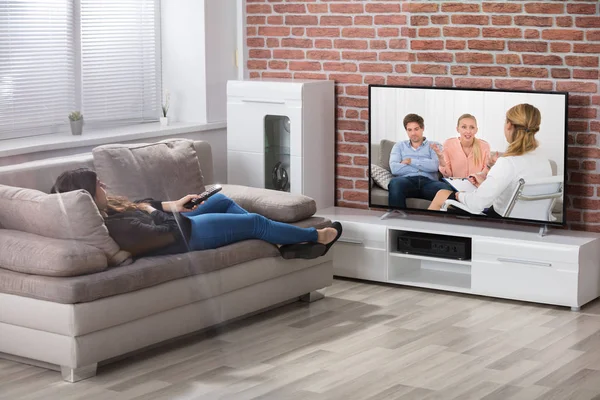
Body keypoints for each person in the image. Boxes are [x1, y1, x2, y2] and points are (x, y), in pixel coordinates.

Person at [51, 168, 342, 260]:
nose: (103, 184)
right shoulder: (115, 227)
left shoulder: (109, 207)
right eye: (97, 184)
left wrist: (174, 204)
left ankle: (279, 242)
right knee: (254, 221)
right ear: (87, 193)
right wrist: (160, 213)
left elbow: (143, 204)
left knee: (223, 200)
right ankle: (315, 236)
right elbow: (160, 234)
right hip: (185, 236)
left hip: (179, 222)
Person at [428, 103, 552, 216]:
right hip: (532, 220)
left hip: (501, 220)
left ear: (508, 125)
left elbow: (476, 204)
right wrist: (484, 184)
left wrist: (460, 195)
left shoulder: (507, 162)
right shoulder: (543, 159)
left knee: (441, 195)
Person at [388, 113, 452, 208]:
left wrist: (410, 161)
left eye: (416, 129)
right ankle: (398, 219)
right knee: (395, 183)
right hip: (407, 181)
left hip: (429, 183)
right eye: (410, 130)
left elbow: (434, 166)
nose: (413, 133)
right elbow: (394, 168)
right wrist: (424, 166)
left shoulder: (434, 145)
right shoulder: (399, 146)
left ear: (422, 128)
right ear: (406, 131)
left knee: (446, 189)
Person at [431, 114, 493, 179]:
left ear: (476, 130)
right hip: (455, 186)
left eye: (472, 127)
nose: (468, 131)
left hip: (477, 186)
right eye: (464, 127)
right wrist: (441, 159)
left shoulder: (484, 146)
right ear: (457, 129)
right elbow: (448, 175)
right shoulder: (448, 144)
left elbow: (485, 173)